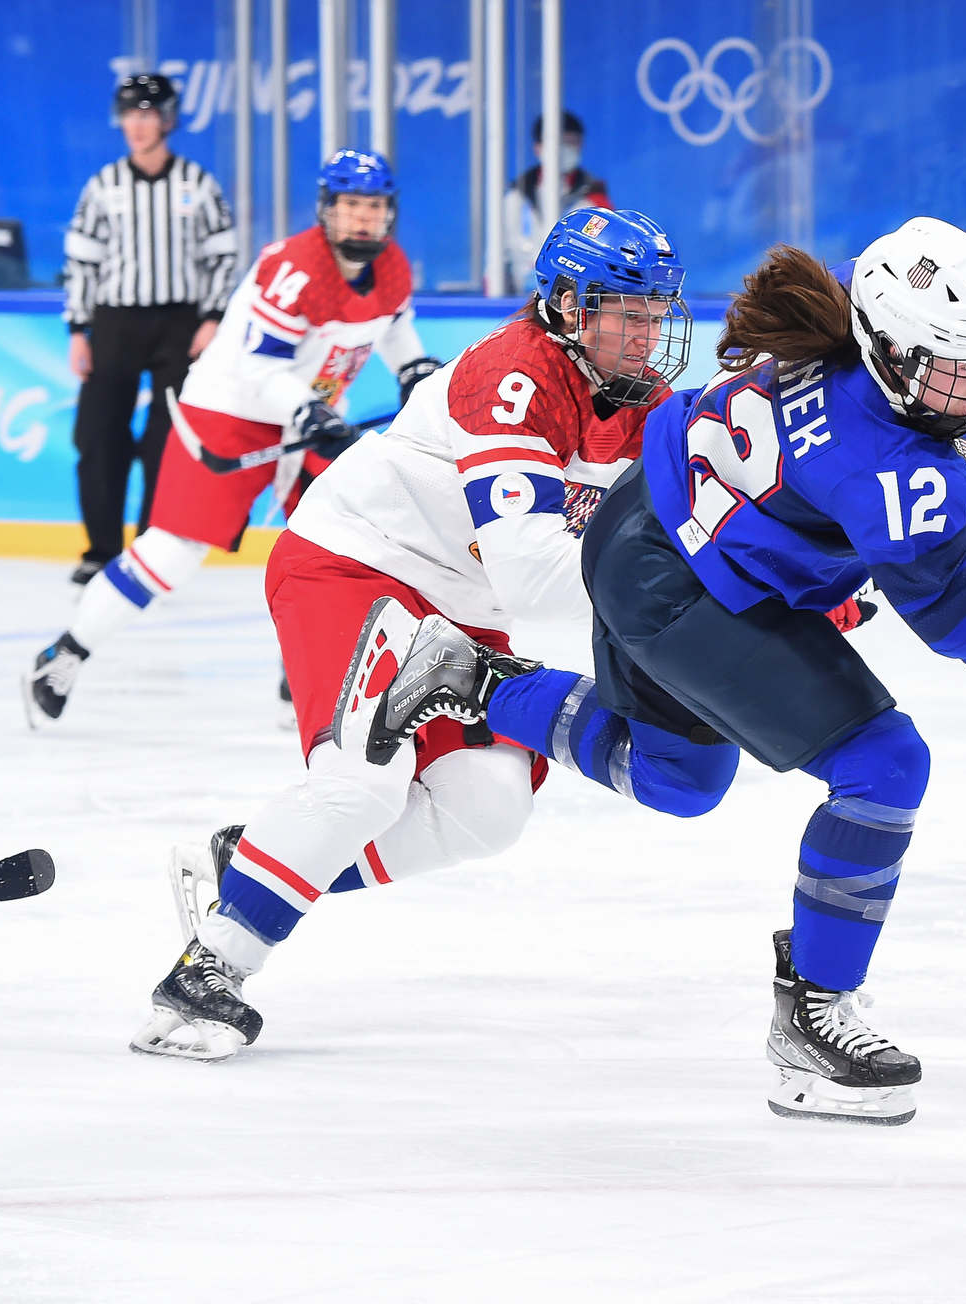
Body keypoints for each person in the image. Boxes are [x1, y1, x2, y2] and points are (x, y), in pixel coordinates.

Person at [338, 217, 966, 1125]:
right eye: (952, 371)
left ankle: (471, 675)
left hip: (651, 523)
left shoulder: (860, 302)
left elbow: (918, 390)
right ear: (888, 356)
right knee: (885, 765)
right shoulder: (882, 466)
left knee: (678, 778)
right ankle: (814, 1017)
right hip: (686, 583)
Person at [126, 207, 703, 1061]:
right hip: (356, 565)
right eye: (627, 310)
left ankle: (247, 866)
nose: (647, 332)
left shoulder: (645, 403)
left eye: (656, 312)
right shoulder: (516, 376)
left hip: (461, 610)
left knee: (487, 809)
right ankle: (206, 972)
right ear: (566, 305)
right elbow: (536, 579)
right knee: (362, 787)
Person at [24, 148, 442, 730]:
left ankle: (301, 675)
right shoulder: (293, 268)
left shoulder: (392, 266)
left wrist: (412, 366)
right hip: (232, 410)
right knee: (171, 553)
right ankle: (65, 652)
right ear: (327, 209)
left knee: (345, 548)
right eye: (351, 205)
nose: (364, 218)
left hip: (309, 413)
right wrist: (305, 409)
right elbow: (258, 367)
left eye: (374, 207)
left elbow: (393, 327)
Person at [63, 71, 238, 585]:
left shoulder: (198, 184)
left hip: (180, 324)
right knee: (97, 435)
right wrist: (78, 329)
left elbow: (222, 258)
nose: (137, 125)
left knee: (169, 439)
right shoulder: (103, 186)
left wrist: (212, 319)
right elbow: (81, 263)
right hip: (114, 322)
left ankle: (148, 547)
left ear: (167, 119)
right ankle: (99, 549)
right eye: (129, 115)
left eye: (146, 113)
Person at [502, 111, 612, 292]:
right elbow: (498, 256)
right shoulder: (516, 196)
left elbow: (606, 254)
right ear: (538, 148)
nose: (565, 149)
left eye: (571, 143)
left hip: (575, 297)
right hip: (520, 297)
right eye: (558, 143)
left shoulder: (594, 198)